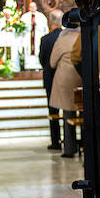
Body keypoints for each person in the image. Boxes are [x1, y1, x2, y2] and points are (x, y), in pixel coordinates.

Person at [49, 24, 80, 157]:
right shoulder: (81, 37)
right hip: (82, 78)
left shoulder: (62, 40)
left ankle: (70, 148)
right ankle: (85, 146)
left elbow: (52, 63)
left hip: (66, 80)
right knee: (85, 114)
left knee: (69, 115)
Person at [38, 8, 63, 150]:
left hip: (50, 77)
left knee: (53, 111)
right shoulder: (67, 37)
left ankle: (56, 141)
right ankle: (71, 138)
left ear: (50, 21)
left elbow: (42, 59)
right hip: (65, 78)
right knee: (68, 108)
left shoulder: (46, 39)